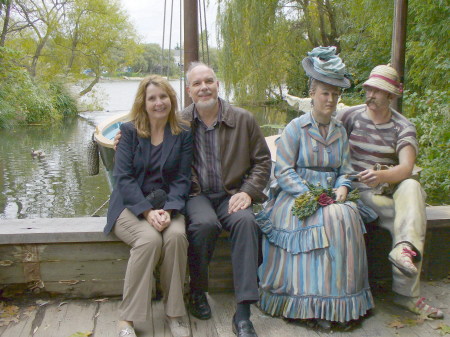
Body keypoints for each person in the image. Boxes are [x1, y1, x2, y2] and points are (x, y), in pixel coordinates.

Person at [256, 47, 374, 329]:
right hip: (298, 196)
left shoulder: (340, 132)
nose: (331, 100)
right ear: (312, 94)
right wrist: (310, 195)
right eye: (325, 93)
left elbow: (345, 171)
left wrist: (343, 187)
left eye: (335, 94)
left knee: (346, 217)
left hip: (333, 195)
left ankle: (341, 304)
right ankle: (307, 305)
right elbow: (283, 170)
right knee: (321, 220)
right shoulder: (296, 128)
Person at [337, 64, 444, 319]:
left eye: (378, 91)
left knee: (412, 186)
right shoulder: (349, 116)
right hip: (355, 192)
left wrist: (382, 176)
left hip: (386, 193)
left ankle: (403, 250)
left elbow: (406, 167)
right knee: (411, 219)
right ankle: (408, 294)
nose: (371, 95)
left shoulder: (402, 126)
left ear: (391, 96)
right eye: (369, 89)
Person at [182, 62, 272, 337]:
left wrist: (247, 191)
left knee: (246, 223)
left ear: (217, 85)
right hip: (196, 194)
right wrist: (125, 135)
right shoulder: (180, 122)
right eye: (197, 84)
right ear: (189, 91)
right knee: (204, 225)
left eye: (208, 81)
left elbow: (263, 162)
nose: (204, 87)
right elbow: (149, 133)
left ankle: (243, 312)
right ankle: (198, 291)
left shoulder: (243, 119)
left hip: (232, 193)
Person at [105, 75, 193, 337]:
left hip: (168, 204)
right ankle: (127, 320)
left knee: (176, 236)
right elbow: (122, 178)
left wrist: (168, 210)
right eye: (152, 98)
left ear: (172, 99)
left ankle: (175, 314)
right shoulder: (129, 132)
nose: (158, 103)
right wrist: (146, 211)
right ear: (143, 102)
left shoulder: (183, 132)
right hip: (130, 206)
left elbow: (182, 178)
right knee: (149, 240)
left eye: (163, 96)